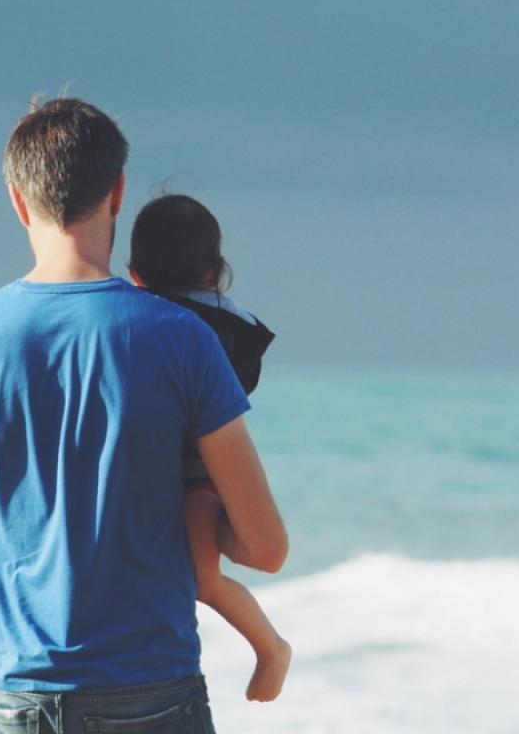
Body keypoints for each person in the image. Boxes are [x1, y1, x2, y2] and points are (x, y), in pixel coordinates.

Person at [0, 97, 288, 734]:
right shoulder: (183, 338)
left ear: (17, 200)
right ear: (117, 192)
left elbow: (12, 481)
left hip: (13, 692)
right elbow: (265, 549)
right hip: (147, 687)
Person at [129, 194, 292, 702]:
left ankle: (271, 648)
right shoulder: (233, 324)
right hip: (202, 473)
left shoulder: (141, 319)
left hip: (199, 474)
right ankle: (269, 647)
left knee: (202, 577)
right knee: (200, 576)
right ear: (216, 270)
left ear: (135, 274)